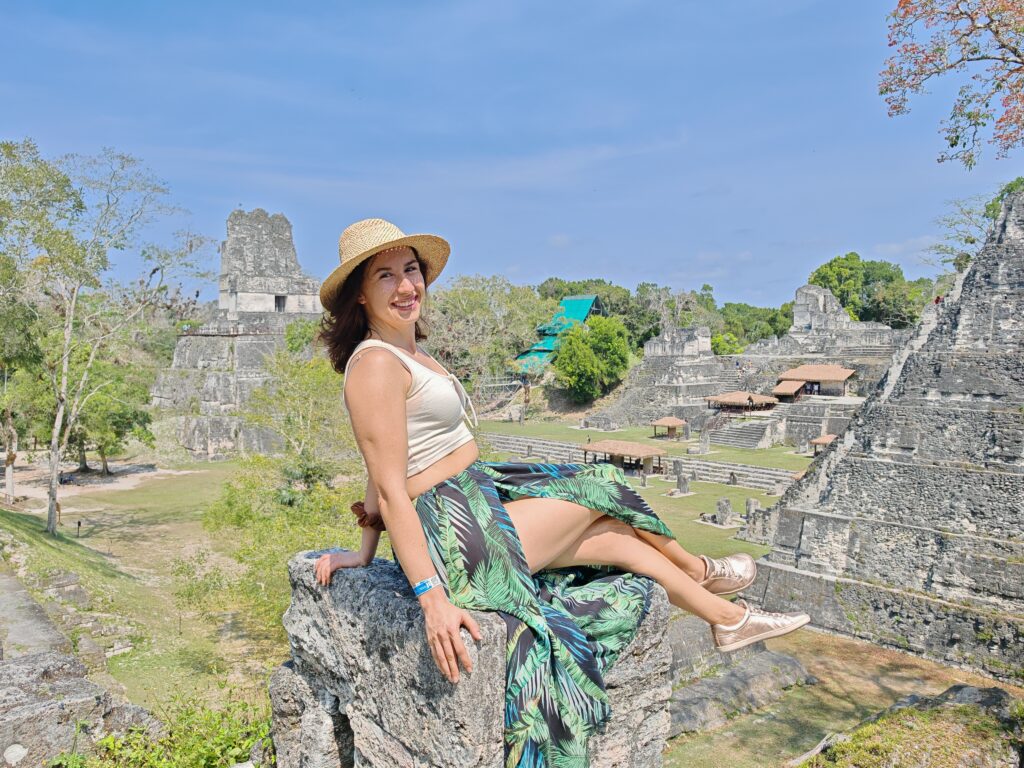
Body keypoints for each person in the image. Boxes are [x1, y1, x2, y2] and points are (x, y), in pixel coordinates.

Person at [313, 218, 809, 766]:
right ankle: (699, 573)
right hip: (458, 536)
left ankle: (726, 619)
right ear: (360, 292)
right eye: (386, 276)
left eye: (411, 270)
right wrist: (431, 598)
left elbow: (378, 466)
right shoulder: (375, 364)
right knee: (602, 486)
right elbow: (389, 484)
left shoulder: (406, 352)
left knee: (619, 538)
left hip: (479, 502)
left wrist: (361, 553)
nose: (406, 286)